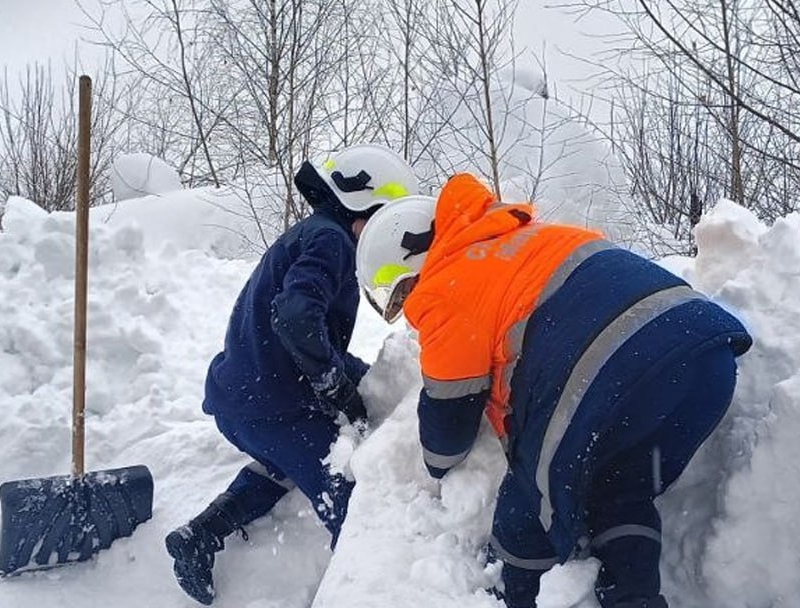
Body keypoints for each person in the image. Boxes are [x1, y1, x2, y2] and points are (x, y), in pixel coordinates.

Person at [354, 174, 752, 608]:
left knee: (524, 517)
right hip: (704, 356)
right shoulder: (536, 236)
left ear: (411, 264)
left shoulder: (445, 284)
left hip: (606, 370)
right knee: (618, 492)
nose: (408, 305)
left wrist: (432, 465)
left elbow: (449, 421)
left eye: (402, 292)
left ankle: (510, 599)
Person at [165, 144, 420, 605]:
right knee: (353, 499)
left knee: (285, 466)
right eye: (384, 220)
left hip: (245, 399)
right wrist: (334, 384)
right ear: (362, 206)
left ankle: (200, 535)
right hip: (275, 407)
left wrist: (365, 378)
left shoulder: (315, 234)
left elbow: (306, 332)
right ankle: (363, 591)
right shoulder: (332, 241)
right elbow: (297, 317)